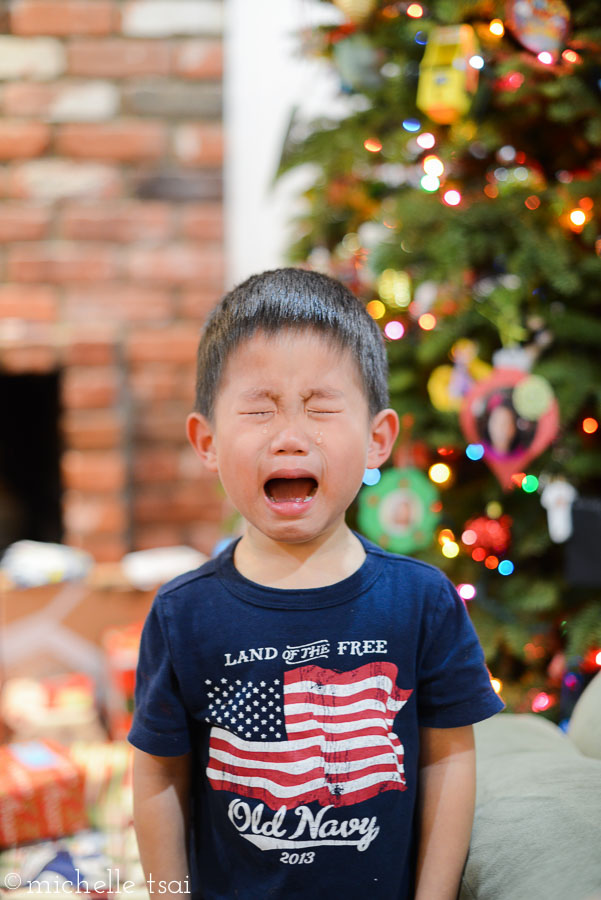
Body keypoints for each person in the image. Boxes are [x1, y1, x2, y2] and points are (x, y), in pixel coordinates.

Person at [128, 268, 504, 900]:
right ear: (208, 441)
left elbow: (448, 758)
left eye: (322, 408)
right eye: (259, 409)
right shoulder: (181, 613)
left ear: (377, 439)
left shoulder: (421, 602)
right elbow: (159, 776)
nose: (291, 437)